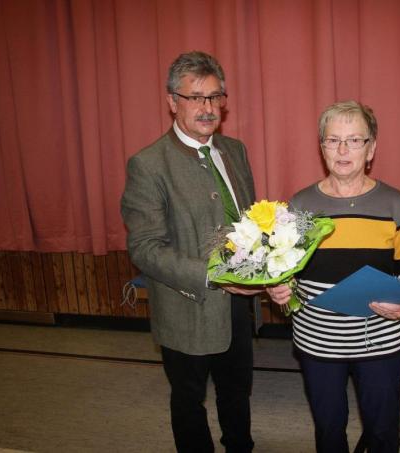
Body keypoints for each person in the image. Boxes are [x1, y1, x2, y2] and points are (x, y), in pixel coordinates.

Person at [267, 101, 400, 453]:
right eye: (332, 140)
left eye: (354, 140)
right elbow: (285, 271)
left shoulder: (394, 204)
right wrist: (278, 289)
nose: (342, 150)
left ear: (371, 149)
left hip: (380, 343)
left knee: (383, 433)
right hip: (318, 343)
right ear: (321, 148)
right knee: (328, 432)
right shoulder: (300, 205)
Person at [121, 51, 260, 453]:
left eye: (215, 97)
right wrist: (213, 275)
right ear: (171, 102)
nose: (207, 108)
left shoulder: (235, 150)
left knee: (237, 392)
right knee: (188, 402)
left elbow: (249, 222)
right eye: (195, 97)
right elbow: (145, 249)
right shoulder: (148, 165)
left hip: (239, 304)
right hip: (187, 306)